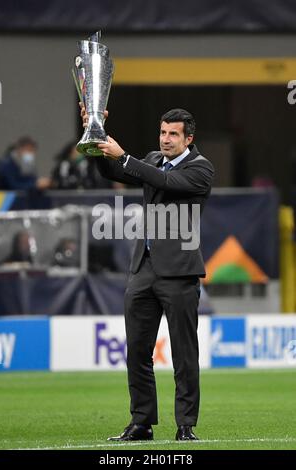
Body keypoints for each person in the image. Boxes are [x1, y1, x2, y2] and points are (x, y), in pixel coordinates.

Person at [80, 103, 214, 441]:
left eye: (173, 134)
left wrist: (124, 156)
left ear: (189, 138)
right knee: (137, 351)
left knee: (184, 354)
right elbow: (112, 173)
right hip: (144, 268)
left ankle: (186, 426)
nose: (166, 140)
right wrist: (95, 133)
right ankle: (141, 423)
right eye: (163, 133)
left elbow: (165, 181)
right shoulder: (154, 159)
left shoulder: (201, 169)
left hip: (180, 272)